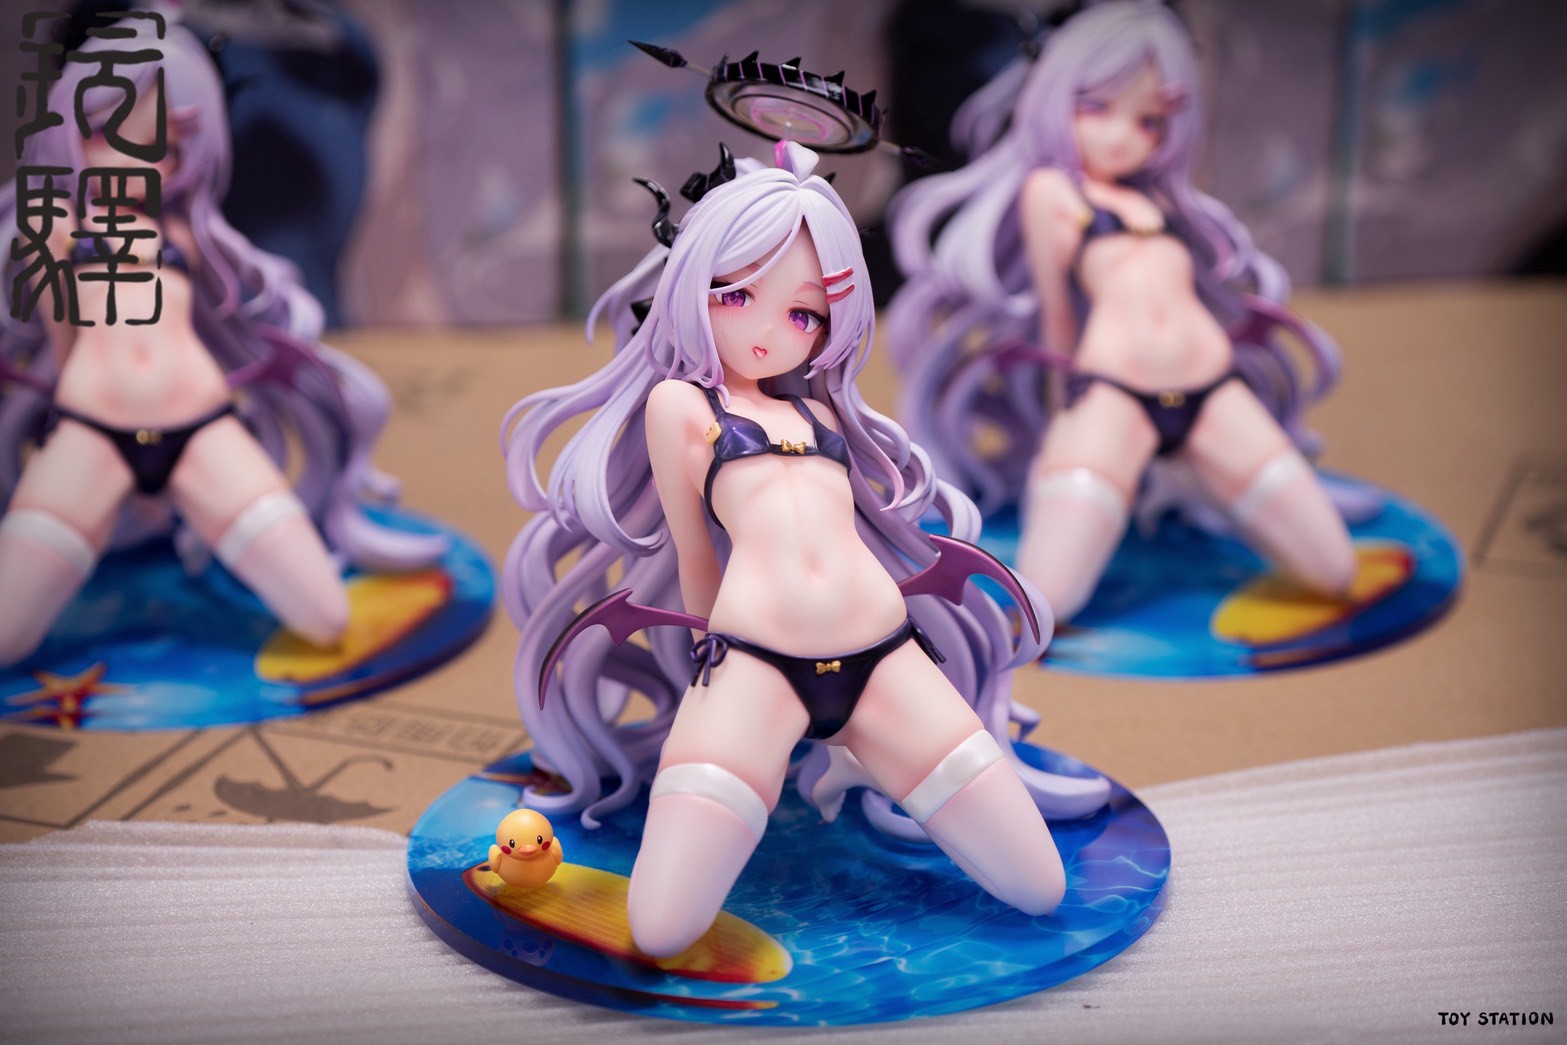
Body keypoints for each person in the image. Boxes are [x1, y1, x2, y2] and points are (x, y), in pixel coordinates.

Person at [504, 143, 1107, 958]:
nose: (767, 331)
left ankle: (862, 759)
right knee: (661, 925)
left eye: (802, 314)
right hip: (753, 663)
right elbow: (692, 550)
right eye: (735, 294)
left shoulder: (822, 415)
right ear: (692, 286)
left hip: (887, 657)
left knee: (1039, 884)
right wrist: (702, 654)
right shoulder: (681, 406)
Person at [886, 0, 1355, 622]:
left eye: (1150, 120)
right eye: (1096, 108)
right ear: (1056, 98)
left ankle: (1187, 477)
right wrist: (1059, 405)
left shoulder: (1160, 197)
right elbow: (1056, 313)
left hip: (1214, 393)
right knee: (1047, 604)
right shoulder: (1053, 191)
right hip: (1113, 398)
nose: (1121, 136)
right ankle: (1161, 477)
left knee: (1334, 570)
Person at [0, 18, 442, 665]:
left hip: (202, 426)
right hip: (92, 431)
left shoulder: (185, 235)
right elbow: (65, 341)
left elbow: (230, 319)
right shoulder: (56, 232)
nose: (138, 158)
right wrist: (61, 425)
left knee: (324, 614)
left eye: (167, 144)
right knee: (6, 636)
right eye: (109, 132)